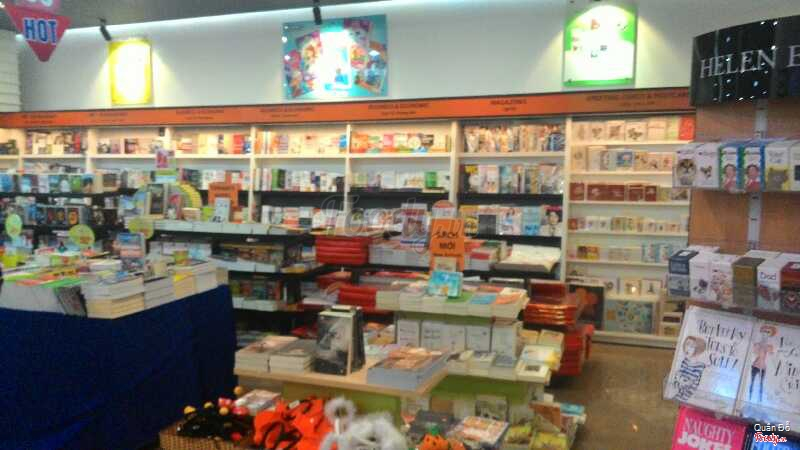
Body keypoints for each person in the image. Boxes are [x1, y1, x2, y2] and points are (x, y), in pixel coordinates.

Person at [672, 336, 707, 402]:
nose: (687, 348)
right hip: (680, 394)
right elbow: (676, 380)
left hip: (690, 398)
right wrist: (679, 379)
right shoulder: (685, 361)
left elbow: (688, 383)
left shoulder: (700, 367)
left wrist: (679, 379)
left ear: (698, 350)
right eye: (686, 344)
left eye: (691, 346)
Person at [749, 325, 776, 403]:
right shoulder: (757, 344)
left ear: (770, 334)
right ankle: (750, 397)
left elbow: (771, 355)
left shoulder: (769, 347)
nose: (765, 334)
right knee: (752, 381)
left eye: (767, 332)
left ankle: (760, 399)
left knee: (761, 383)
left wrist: (768, 348)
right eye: (764, 332)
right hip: (755, 365)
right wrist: (760, 346)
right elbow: (755, 352)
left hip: (763, 366)